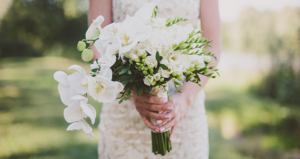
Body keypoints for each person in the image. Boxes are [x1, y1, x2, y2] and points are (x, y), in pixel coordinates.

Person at [88, 0, 221, 158]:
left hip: (185, 117)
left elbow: (211, 47)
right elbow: (97, 43)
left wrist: (184, 98)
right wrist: (132, 93)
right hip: (123, 118)